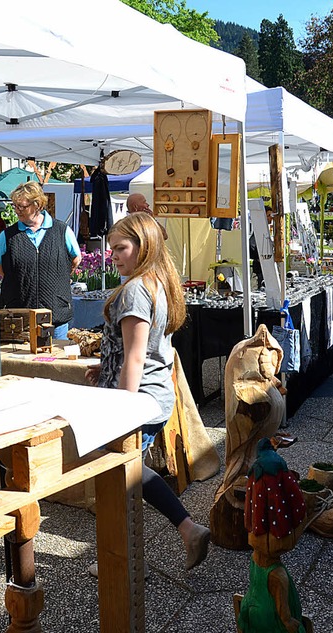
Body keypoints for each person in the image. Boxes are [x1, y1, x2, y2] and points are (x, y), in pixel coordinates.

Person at [85, 212, 210, 575]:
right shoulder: (155, 281)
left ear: (144, 245)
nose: (114, 256)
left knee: (118, 477)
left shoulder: (136, 290)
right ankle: (185, 531)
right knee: (129, 473)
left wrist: (121, 413)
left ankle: (120, 557)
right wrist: (105, 366)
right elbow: (140, 350)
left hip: (138, 401)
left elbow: (137, 358)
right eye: (112, 249)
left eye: (121, 248)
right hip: (149, 397)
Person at [0, 181, 82, 339]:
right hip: (20, 315)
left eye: (22, 206)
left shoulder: (62, 231)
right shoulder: (7, 236)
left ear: (38, 204)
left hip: (56, 313)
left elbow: (75, 258)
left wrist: (60, 275)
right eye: (15, 206)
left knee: (57, 360)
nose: (17, 210)